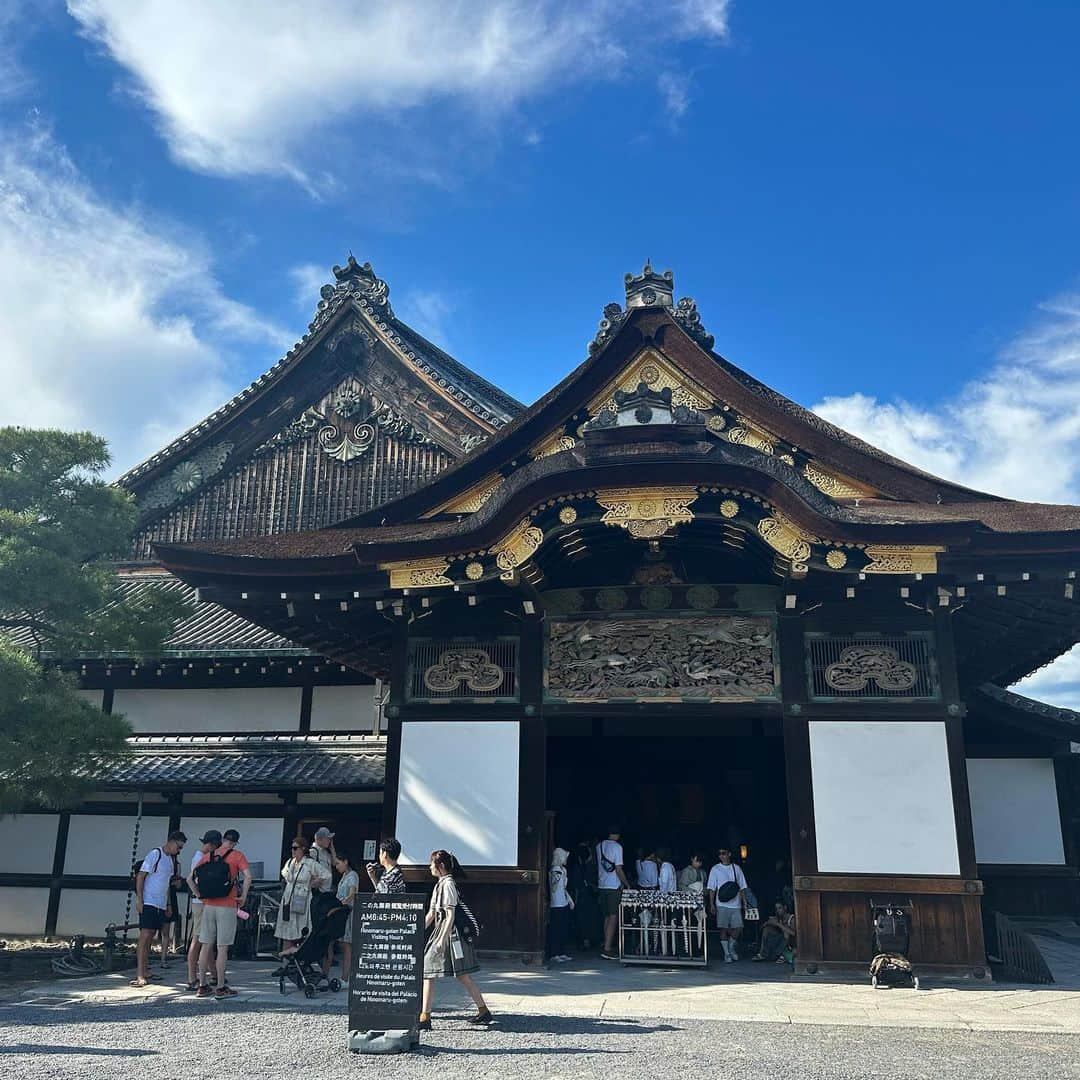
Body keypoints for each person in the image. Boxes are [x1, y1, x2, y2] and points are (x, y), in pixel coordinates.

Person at [420, 850, 492, 1030]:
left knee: (429, 971)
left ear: (441, 866)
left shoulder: (448, 885)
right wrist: (417, 929)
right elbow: (431, 913)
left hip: (451, 936)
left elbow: (450, 915)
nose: (429, 867)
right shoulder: (440, 884)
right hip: (444, 933)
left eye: (432, 864)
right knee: (460, 975)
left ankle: (425, 1017)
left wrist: (441, 940)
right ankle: (483, 1010)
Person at [193, 828, 251, 999]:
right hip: (228, 905)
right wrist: (244, 896)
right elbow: (248, 876)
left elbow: (190, 878)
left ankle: (202, 985)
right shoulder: (237, 856)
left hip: (209, 905)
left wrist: (199, 895)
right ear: (234, 842)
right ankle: (220, 987)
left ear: (223, 839)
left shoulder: (209, 855)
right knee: (222, 948)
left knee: (205, 945)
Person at [131, 831, 186, 988]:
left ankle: (146, 969)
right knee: (145, 935)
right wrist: (140, 899)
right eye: (179, 847)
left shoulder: (170, 861)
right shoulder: (156, 854)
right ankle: (140, 973)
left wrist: (168, 904)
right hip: (148, 901)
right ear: (172, 842)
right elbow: (141, 876)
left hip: (160, 903)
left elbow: (167, 884)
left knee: (152, 936)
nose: (179, 850)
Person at [276, 837, 330, 951]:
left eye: (295, 848)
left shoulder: (310, 863)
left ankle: (299, 958)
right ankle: (286, 961)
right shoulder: (290, 862)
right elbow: (285, 876)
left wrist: (316, 882)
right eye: (292, 848)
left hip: (302, 897)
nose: (293, 851)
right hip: (289, 897)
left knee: (301, 929)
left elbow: (326, 875)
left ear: (303, 849)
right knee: (286, 929)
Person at [184, 830, 220, 992]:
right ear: (211, 845)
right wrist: (200, 894)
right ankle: (192, 977)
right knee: (198, 939)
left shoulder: (199, 857)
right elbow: (190, 879)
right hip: (201, 902)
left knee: (207, 940)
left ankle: (214, 974)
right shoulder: (200, 859)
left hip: (201, 901)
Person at [707, 847, 749, 963]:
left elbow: (742, 887)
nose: (721, 856)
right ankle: (726, 953)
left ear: (729, 854)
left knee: (738, 927)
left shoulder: (736, 868)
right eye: (719, 854)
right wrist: (711, 904)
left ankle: (731, 946)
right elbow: (712, 888)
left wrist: (744, 903)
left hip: (735, 904)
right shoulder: (715, 869)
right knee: (723, 928)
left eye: (724, 853)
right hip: (721, 903)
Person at [597, 827, 629, 960]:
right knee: (613, 916)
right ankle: (607, 949)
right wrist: (626, 883)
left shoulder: (599, 846)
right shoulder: (617, 847)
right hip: (613, 885)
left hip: (601, 884)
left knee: (606, 916)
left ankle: (606, 943)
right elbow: (618, 868)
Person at [569, 840, 600, 950]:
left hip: (581, 896)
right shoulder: (587, 867)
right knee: (589, 918)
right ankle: (588, 940)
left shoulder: (576, 867)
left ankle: (584, 940)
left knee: (582, 919)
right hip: (587, 896)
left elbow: (575, 885)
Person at [334, 852, 360, 975]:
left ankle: (346, 975)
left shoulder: (352, 875)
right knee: (342, 944)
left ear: (345, 862)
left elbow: (352, 893)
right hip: (341, 912)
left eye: (338, 863)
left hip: (348, 911)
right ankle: (345, 973)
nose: (336, 866)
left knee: (347, 944)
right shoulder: (344, 875)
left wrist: (343, 903)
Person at [548, 847, 574, 962]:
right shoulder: (555, 869)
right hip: (556, 903)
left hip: (563, 901)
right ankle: (555, 953)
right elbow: (554, 887)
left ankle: (561, 952)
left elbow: (563, 888)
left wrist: (569, 900)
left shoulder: (563, 870)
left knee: (563, 928)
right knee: (556, 928)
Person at [754, 899, 796, 964]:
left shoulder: (792, 918)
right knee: (767, 929)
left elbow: (794, 933)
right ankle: (762, 953)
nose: (778, 911)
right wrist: (768, 923)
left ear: (785, 907)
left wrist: (778, 924)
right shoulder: (778, 918)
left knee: (786, 932)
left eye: (779, 908)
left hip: (791, 945)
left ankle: (780, 955)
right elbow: (762, 928)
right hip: (780, 942)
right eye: (776, 909)